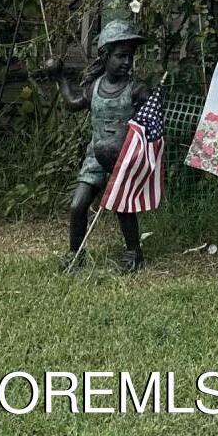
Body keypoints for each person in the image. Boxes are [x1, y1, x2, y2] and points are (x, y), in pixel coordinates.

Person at [52, 17, 150, 271]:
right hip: (95, 157)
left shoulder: (136, 89)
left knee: (122, 206)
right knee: (78, 205)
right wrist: (60, 78)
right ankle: (76, 254)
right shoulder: (95, 87)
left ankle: (133, 252)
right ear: (105, 57)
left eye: (130, 56)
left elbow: (149, 125)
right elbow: (73, 102)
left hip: (123, 158)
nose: (127, 62)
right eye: (120, 56)